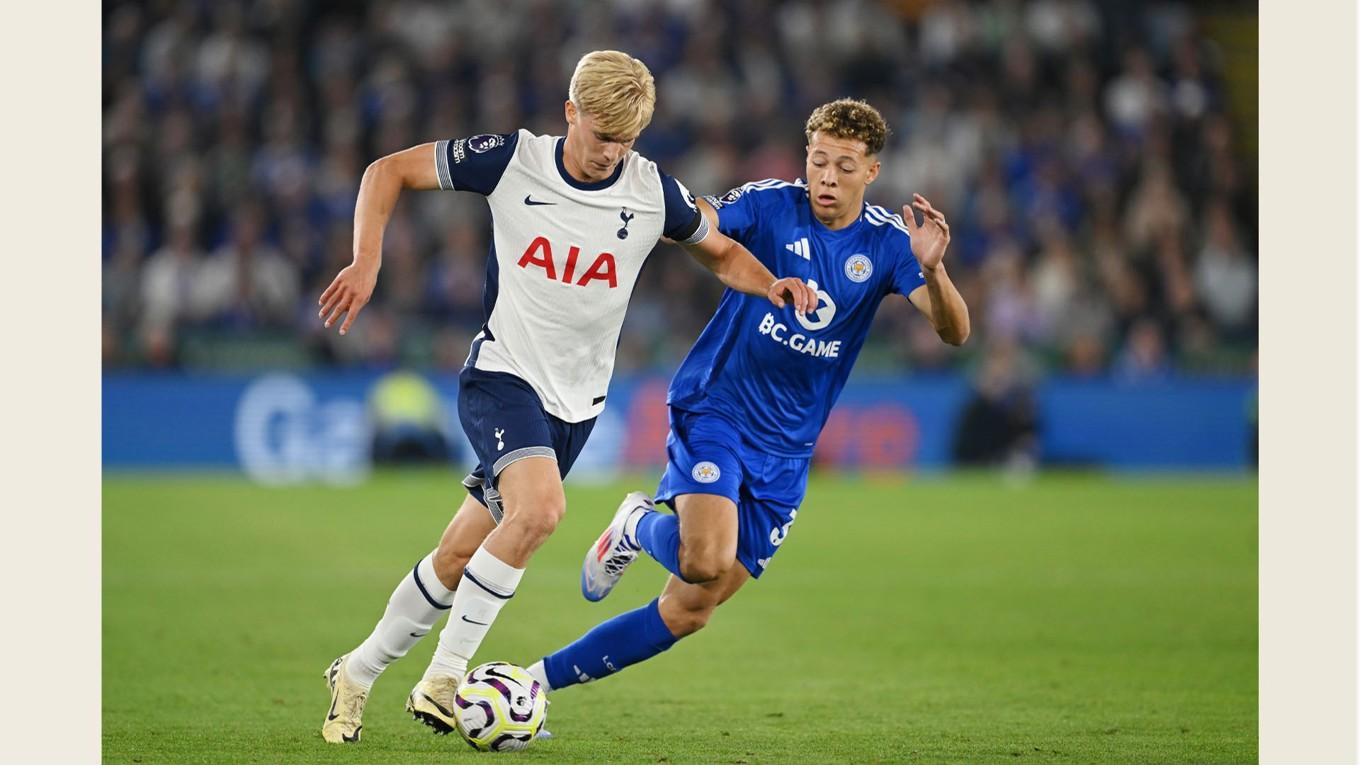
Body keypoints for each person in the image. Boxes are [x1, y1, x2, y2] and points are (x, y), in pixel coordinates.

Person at [316, 50, 816, 744]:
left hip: (575, 408)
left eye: (623, 140)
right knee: (541, 510)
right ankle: (445, 676)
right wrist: (367, 259)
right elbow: (386, 171)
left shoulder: (651, 191)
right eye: (598, 133)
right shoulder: (510, 160)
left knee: (461, 553)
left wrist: (772, 284)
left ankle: (358, 671)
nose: (607, 152)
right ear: (569, 112)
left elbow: (721, 251)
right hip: (503, 377)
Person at [523, 98, 969, 702]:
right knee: (704, 558)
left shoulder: (890, 245)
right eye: (817, 162)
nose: (827, 178)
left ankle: (532, 684)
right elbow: (700, 221)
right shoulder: (769, 204)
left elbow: (955, 332)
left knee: (688, 610)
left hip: (787, 453)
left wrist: (935, 273)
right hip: (717, 409)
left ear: (872, 173)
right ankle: (635, 521)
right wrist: (669, 212)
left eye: (843, 165)